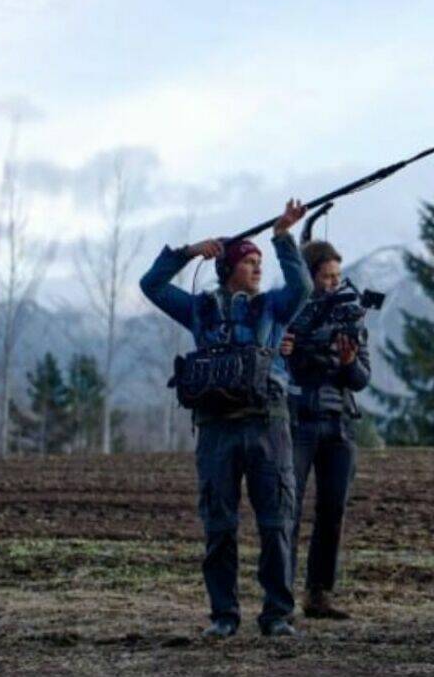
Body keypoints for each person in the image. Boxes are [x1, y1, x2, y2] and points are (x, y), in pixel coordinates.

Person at [139, 199, 311, 639]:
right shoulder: (200, 310)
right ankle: (223, 616)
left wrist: (282, 238)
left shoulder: (273, 307)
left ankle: (276, 615)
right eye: (249, 261)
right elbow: (152, 285)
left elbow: (303, 289)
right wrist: (190, 251)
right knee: (220, 527)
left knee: (275, 524)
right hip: (216, 431)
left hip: (268, 428)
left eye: (259, 262)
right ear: (228, 268)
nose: (257, 268)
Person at [280, 239, 372, 621]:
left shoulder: (351, 316)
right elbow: (278, 370)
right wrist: (291, 351)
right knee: (290, 508)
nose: (334, 283)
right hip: (299, 421)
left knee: (333, 509)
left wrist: (348, 362)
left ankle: (319, 594)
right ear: (311, 277)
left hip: (339, 425)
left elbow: (362, 378)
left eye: (338, 276)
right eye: (326, 277)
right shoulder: (290, 311)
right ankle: (280, 597)